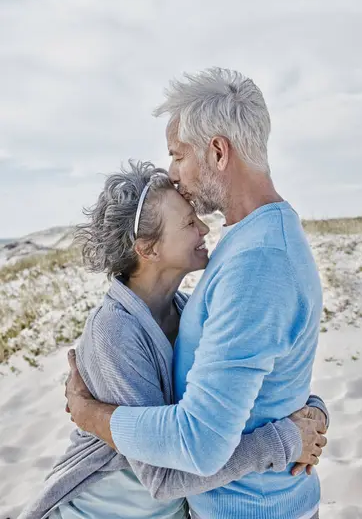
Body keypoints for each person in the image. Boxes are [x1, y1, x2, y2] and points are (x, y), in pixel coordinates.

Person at [65, 68, 329, 519]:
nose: (173, 172)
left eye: (177, 155)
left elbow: (198, 443)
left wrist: (90, 417)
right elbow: (264, 370)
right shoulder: (253, 242)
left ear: (218, 151)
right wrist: (307, 416)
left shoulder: (257, 260)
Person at [20, 160, 327, 519]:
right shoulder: (115, 332)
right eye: (188, 223)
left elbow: (235, 389)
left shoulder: (184, 309)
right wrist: (283, 442)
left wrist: (312, 409)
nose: (204, 227)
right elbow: (164, 476)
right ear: (148, 249)